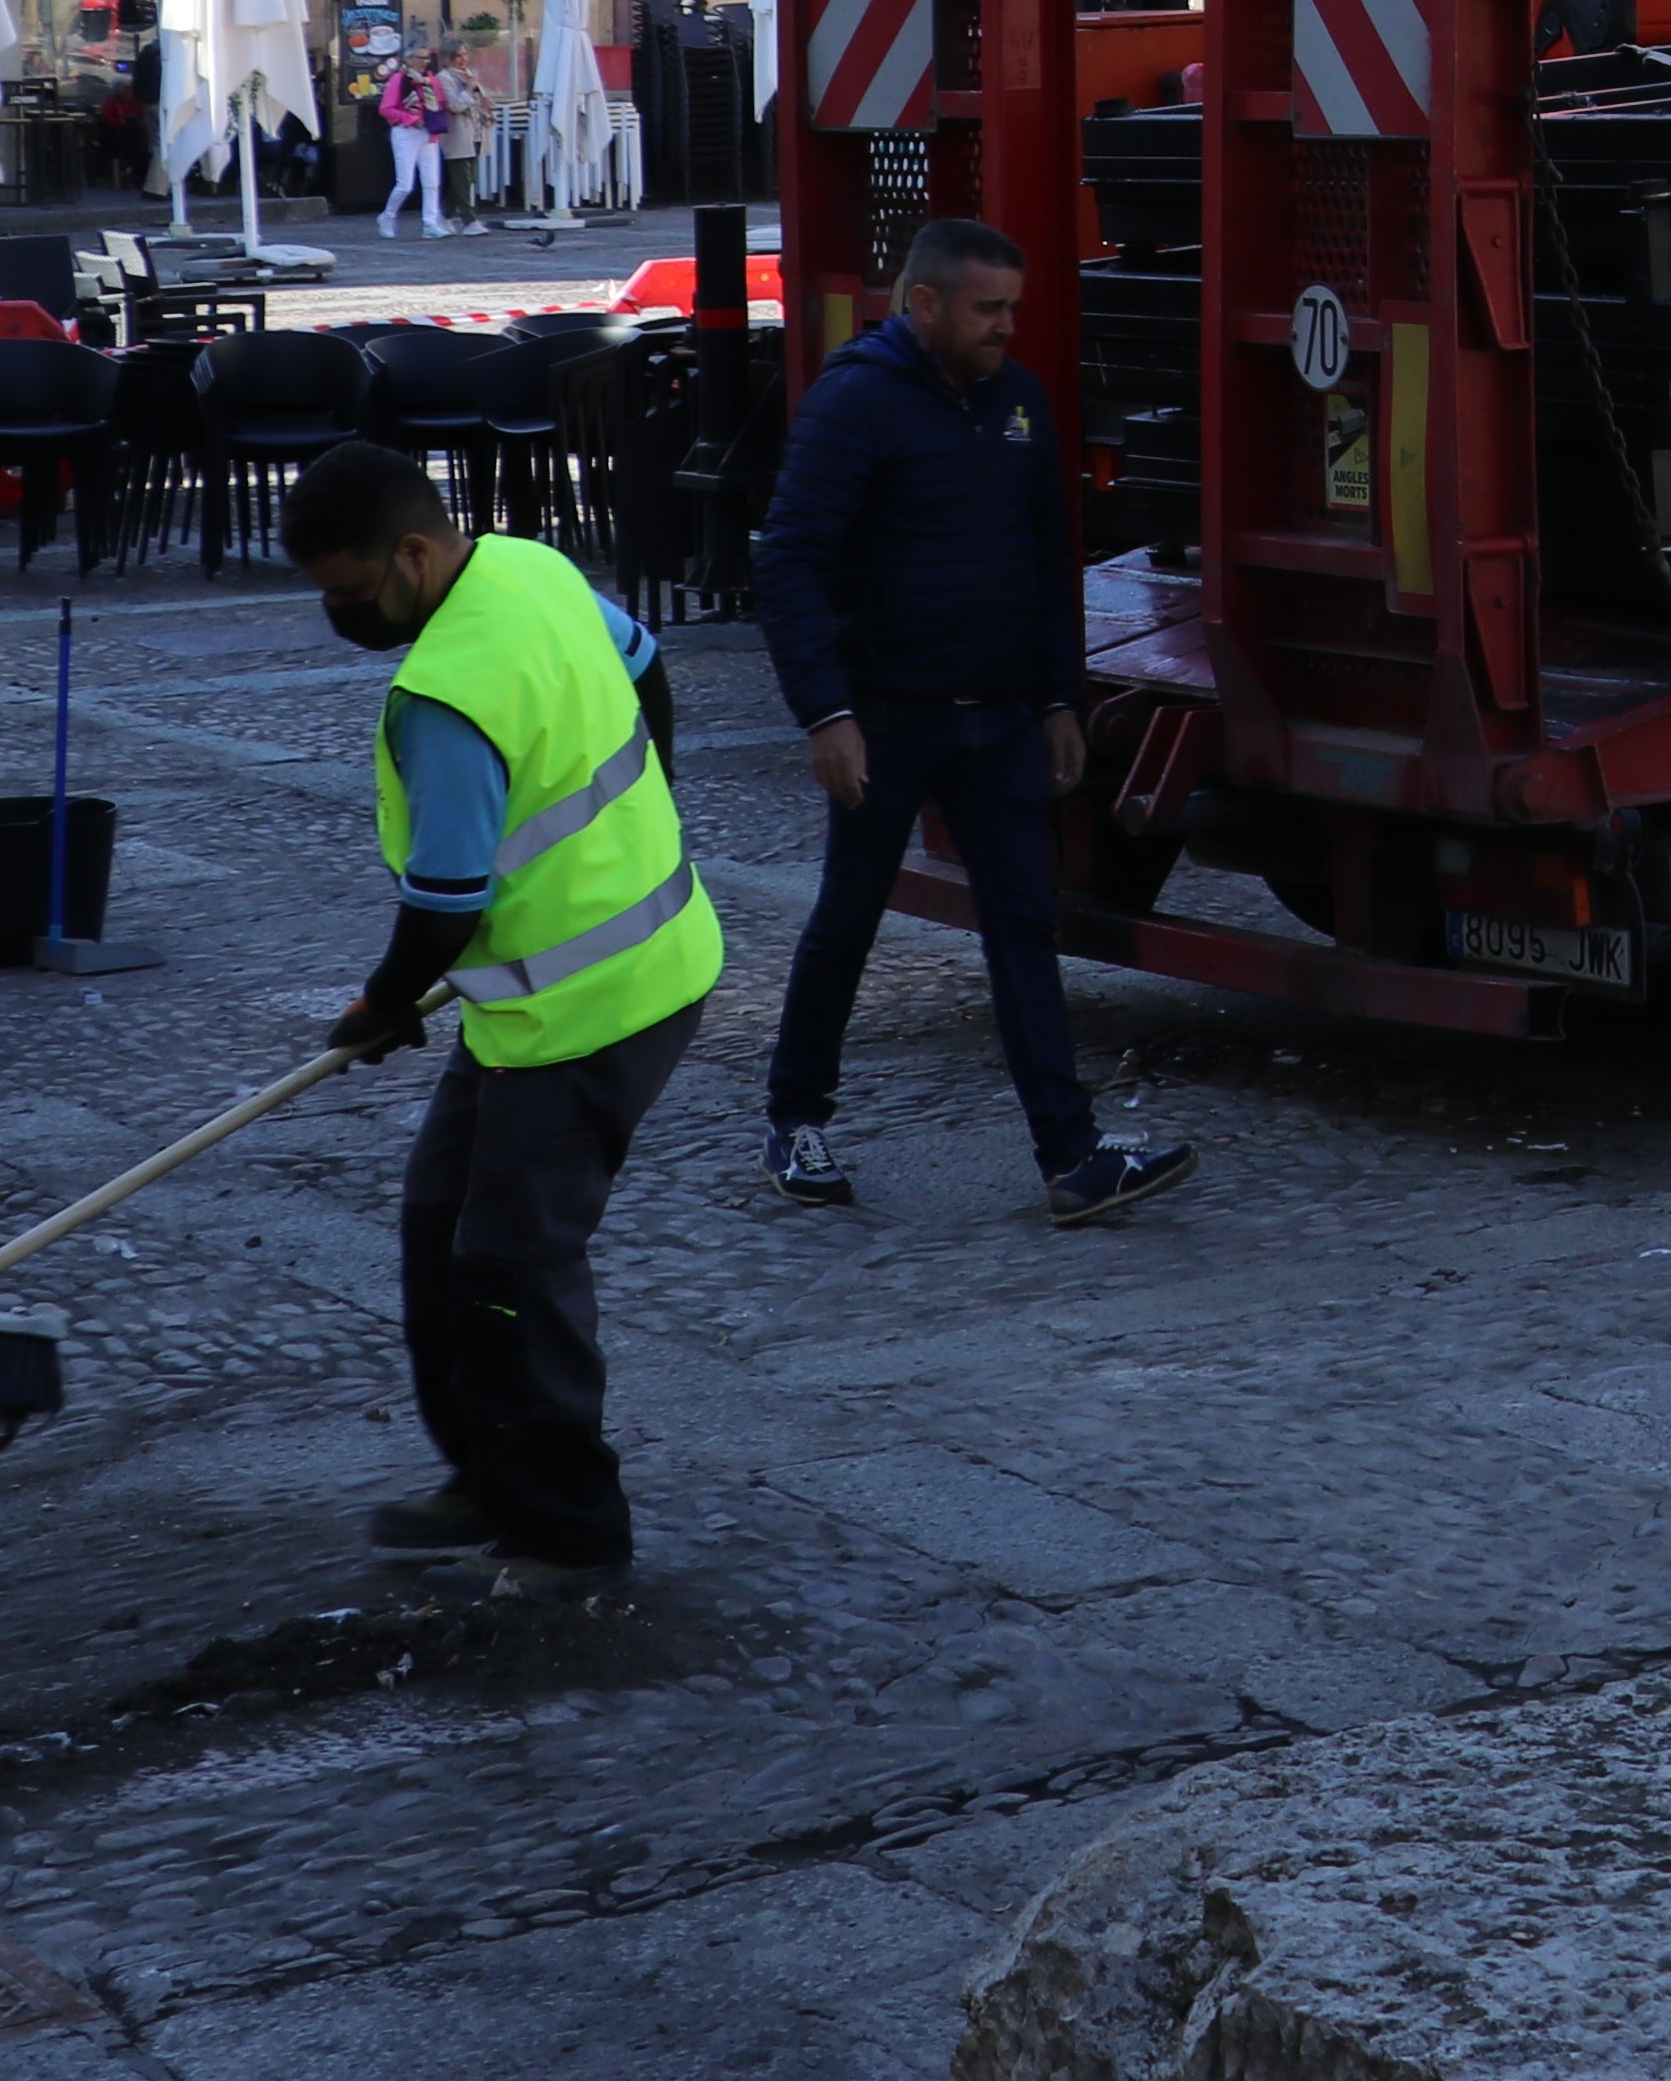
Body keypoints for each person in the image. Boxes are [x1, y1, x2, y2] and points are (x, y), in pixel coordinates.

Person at [286, 438, 721, 1570]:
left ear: (415, 554)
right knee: (441, 1220)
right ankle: (486, 1474)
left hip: (590, 1007)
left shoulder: (445, 698)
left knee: (512, 1264)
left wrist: (381, 1001)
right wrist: (650, 817)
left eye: (346, 589)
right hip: (571, 987)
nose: (336, 612)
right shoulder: (529, 563)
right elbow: (648, 665)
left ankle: (569, 1525)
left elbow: (443, 902)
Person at [752, 216, 1194, 1226]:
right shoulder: (855, 402)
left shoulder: (1018, 402)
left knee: (1025, 929)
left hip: (997, 718)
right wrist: (827, 712)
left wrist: (1057, 697)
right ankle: (797, 1119)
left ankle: (1073, 1157)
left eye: (1013, 308)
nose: (1007, 327)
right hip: (888, 716)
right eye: (989, 309)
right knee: (848, 918)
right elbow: (788, 562)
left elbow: (1048, 561)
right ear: (925, 304)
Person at [373, 49, 456, 236]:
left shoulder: (430, 79)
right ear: (409, 59)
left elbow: (440, 103)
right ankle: (387, 216)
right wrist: (410, 119)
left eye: (427, 58)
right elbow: (386, 109)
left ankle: (430, 223)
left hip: (428, 133)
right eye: (420, 58)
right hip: (406, 133)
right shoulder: (399, 79)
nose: (424, 62)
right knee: (405, 184)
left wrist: (434, 120)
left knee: (432, 182)